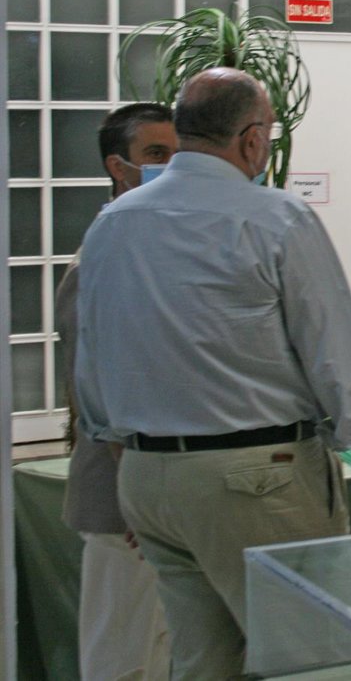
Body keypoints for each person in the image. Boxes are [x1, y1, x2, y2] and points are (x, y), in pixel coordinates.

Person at [74, 69, 351, 679]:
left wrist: (131, 463)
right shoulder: (275, 218)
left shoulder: (114, 223)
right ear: (253, 139)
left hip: (148, 476)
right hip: (256, 479)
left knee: (201, 659)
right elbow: (337, 358)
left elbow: (93, 359)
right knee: (310, 659)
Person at [58, 102, 176, 681]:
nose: (171, 167)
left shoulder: (163, 250)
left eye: (179, 154)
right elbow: (95, 390)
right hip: (120, 498)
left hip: (166, 495)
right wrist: (135, 490)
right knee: (119, 659)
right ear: (117, 166)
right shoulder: (100, 258)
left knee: (162, 652)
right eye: (156, 154)